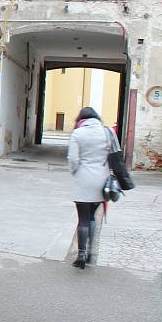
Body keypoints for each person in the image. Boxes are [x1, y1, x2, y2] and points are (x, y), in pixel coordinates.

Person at [67, 107, 117, 269]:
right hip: (101, 181)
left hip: (83, 179)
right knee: (93, 217)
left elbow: (73, 159)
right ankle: (90, 252)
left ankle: (80, 255)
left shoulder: (78, 134)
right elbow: (113, 156)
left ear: (81, 119)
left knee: (83, 218)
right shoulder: (107, 132)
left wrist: (75, 172)